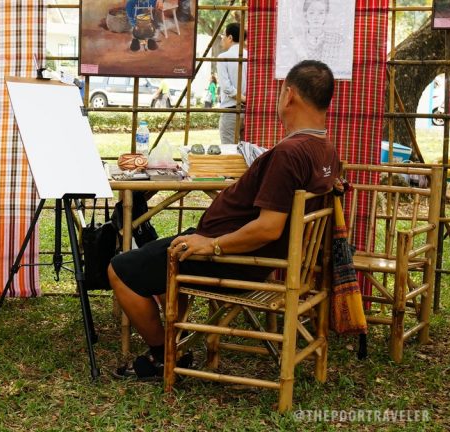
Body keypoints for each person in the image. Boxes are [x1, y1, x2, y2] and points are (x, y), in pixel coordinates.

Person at [108, 60, 340, 380]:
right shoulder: (325, 149)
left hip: (235, 258)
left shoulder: (290, 153)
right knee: (171, 247)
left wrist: (212, 245)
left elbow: (268, 228)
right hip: (251, 254)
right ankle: (173, 336)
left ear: (289, 95)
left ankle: (163, 357)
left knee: (120, 270)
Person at [217, 23, 247, 144]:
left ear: (230, 37)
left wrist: (243, 99)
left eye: (223, 35)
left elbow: (227, 88)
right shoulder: (250, 56)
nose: (222, 39)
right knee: (246, 150)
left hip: (230, 111)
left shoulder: (223, 57)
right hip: (248, 112)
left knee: (229, 149)